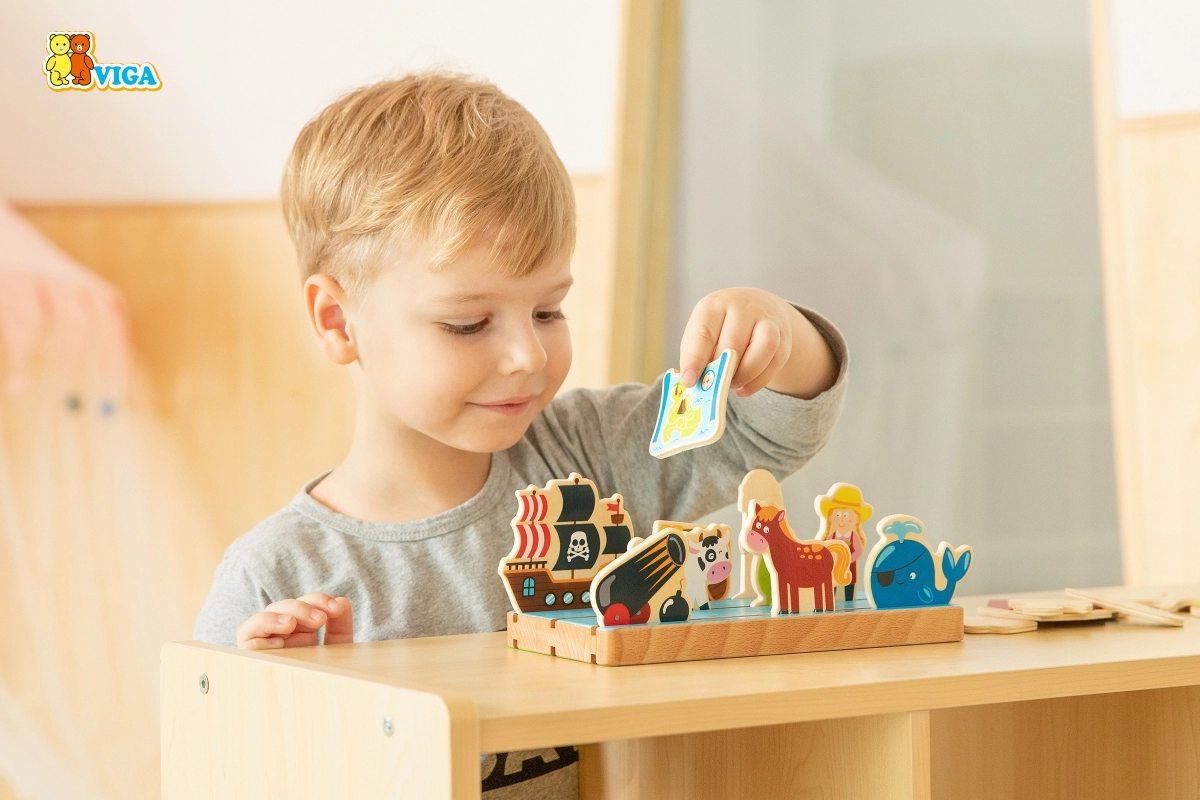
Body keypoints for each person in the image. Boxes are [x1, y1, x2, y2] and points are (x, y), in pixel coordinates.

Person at [193, 71, 848, 800]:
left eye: (547, 311)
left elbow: (771, 433)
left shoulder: (591, 454)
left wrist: (780, 331)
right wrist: (304, 708)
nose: (528, 357)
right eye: (468, 323)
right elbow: (220, 773)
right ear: (337, 322)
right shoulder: (273, 580)